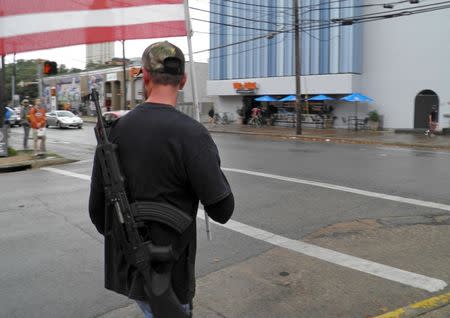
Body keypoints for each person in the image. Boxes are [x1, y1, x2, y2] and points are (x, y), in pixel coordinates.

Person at [89, 41, 234, 318]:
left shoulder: (114, 133)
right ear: (183, 80)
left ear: (144, 77)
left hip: (136, 277)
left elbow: (98, 215)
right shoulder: (192, 134)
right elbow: (223, 210)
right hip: (173, 280)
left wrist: (136, 242)